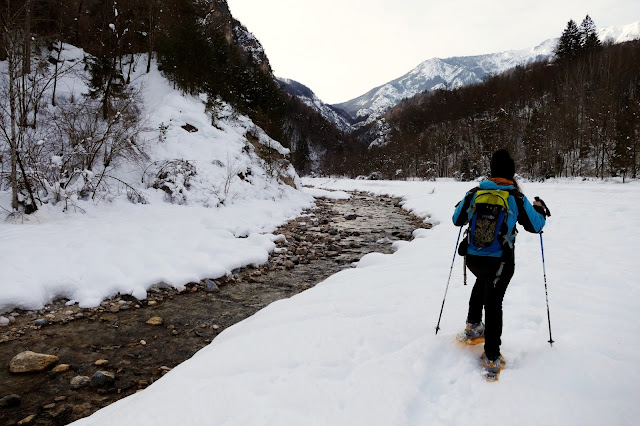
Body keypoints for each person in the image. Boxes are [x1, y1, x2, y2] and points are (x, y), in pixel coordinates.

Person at [451, 149, 549, 375]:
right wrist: (540, 209)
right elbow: (536, 226)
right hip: (501, 262)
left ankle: (473, 325)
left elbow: (457, 219)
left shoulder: (476, 192)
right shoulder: (516, 197)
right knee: (494, 303)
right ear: (511, 172)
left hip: (474, 258)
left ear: (492, 170)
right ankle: (492, 357)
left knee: (482, 281)